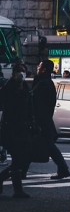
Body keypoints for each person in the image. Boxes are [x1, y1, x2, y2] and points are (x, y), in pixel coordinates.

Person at [32, 59, 70, 180]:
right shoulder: (47, 82)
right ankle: (63, 169)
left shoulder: (42, 84)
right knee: (47, 146)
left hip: (41, 120)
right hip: (45, 120)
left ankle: (63, 169)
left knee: (46, 146)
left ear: (43, 69)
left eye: (39, 66)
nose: (37, 68)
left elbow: (35, 103)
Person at [0, 64, 34, 198]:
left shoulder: (26, 88)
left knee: (21, 159)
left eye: (23, 71)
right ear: (13, 74)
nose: (22, 74)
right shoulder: (7, 89)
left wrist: (33, 124)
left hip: (24, 128)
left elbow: (30, 109)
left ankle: (3, 178)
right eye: (19, 71)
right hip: (11, 128)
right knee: (17, 158)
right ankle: (18, 190)